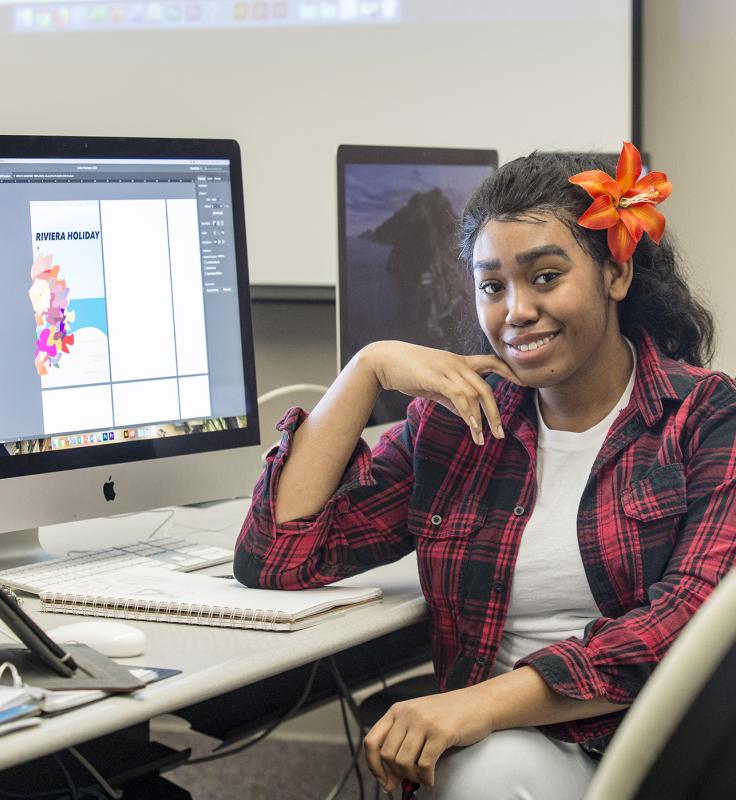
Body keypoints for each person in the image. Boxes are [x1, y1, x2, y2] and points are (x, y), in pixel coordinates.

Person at [233, 144, 736, 799]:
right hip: (508, 754)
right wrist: (369, 369)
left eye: (546, 277)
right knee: (495, 773)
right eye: (492, 286)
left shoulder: (704, 416)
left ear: (616, 274)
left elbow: (680, 629)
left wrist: (472, 708)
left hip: (662, 755)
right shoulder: (456, 426)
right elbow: (280, 554)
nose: (516, 311)